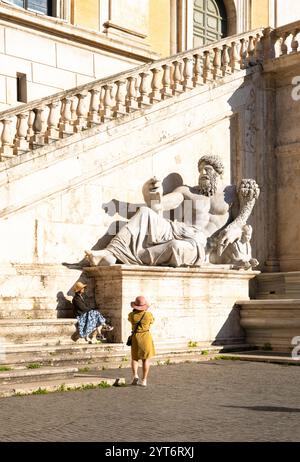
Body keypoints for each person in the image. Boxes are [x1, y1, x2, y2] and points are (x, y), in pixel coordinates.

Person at [84, 154, 260, 268]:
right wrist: (151, 193)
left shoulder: (230, 193)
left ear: (219, 172)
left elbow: (242, 217)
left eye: (208, 169)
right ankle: (110, 254)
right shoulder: (187, 191)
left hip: (203, 244)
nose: (203, 173)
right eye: (200, 170)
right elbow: (159, 206)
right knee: (146, 214)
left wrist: (236, 228)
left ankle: (132, 256)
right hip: (179, 230)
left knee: (176, 248)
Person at [128, 295, 155, 387]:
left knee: (134, 358)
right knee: (145, 359)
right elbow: (152, 321)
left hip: (135, 337)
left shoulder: (131, 315)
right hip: (146, 337)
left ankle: (135, 375)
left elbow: (130, 320)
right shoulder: (148, 315)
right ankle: (144, 380)